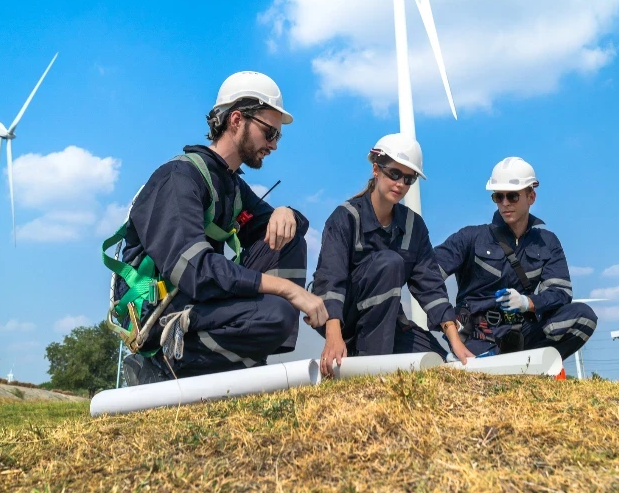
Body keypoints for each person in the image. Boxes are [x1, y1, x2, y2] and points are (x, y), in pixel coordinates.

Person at [114, 71, 328, 385]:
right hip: (161, 315)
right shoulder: (179, 178)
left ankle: (242, 357)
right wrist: (288, 290)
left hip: (196, 304)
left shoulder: (230, 186)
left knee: (290, 237)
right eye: (270, 132)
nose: (274, 145)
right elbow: (194, 270)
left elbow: (275, 233)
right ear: (237, 120)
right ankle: (161, 367)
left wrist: (286, 213)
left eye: (278, 136)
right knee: (277, 312)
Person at [311, 133, 473, 377]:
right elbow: (330, 280)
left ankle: (374, 355)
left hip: (387, 321)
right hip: (344, 320)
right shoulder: (345, 218)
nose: (400, 184)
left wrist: (455, 341)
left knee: (435, 363)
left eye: (409, 179)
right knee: (389, 261)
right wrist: (333, 336)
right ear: (376, 169)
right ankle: (369, 369)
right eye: (394, 174)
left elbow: (431, 286)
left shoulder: (413, 226)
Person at [434, 157, 597, 360]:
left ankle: (535, 366)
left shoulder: (547, 242)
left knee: (584, 316)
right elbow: (427, 277)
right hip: (479, 337)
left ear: (531, 197)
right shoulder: (470, 238)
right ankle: (490, 360)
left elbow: (560, 293)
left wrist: (527, 302)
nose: (504, 203)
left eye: (512, 196)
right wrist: (450, 328)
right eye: (498, 197)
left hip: (522, 334)